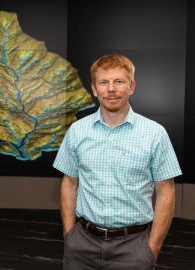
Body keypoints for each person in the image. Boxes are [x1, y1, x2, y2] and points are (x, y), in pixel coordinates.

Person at [53, 54, 182, 270]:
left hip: (134, 247)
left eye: (119, 81)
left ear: (131, 86)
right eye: (103, 82)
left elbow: (166, 192)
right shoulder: (77, 131)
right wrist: (70, 235)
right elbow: (69, 183)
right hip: (82, 246)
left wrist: (152, 247)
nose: (111, 89)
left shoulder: (155, 134)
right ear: (94, 89)